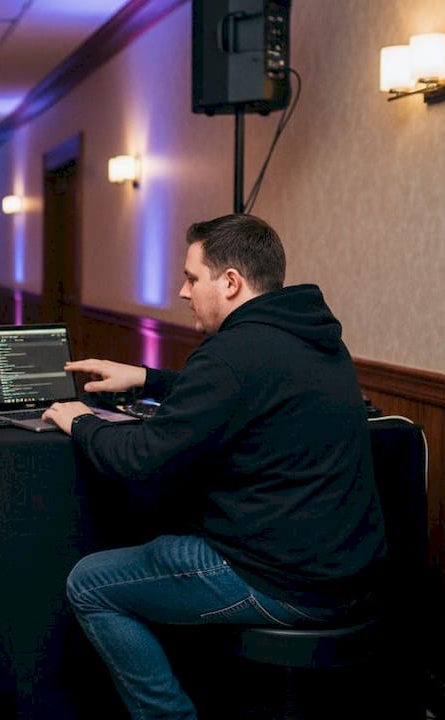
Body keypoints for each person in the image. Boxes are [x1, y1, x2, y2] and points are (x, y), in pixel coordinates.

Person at [42, 213, 387, 720]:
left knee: (90, 583)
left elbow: (140, 462)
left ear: (230, 283)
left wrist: (78, 421)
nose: (182, 292)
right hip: (349, 574)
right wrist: (145, 378)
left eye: (191, 277)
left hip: (284, 582)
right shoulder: (313, 339)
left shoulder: (231, 353)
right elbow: (243, 392)